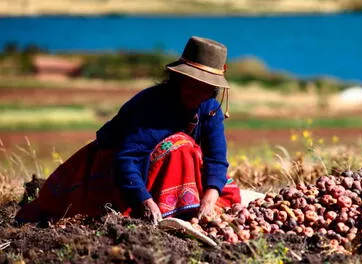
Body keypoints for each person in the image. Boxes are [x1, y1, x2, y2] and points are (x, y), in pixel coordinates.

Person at [16, 36, 241, 224]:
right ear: (178, 79)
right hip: (117, 165)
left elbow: (216, 158)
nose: (197, 92)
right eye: (191, 83)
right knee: (181, 146)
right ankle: (173, 206)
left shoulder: (211, 109)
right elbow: (127, 158)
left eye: (205, 87)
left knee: (221, 185)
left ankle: (184, 202)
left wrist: (210, 198)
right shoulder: (153, 106)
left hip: (163, 166)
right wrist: (145, 201)